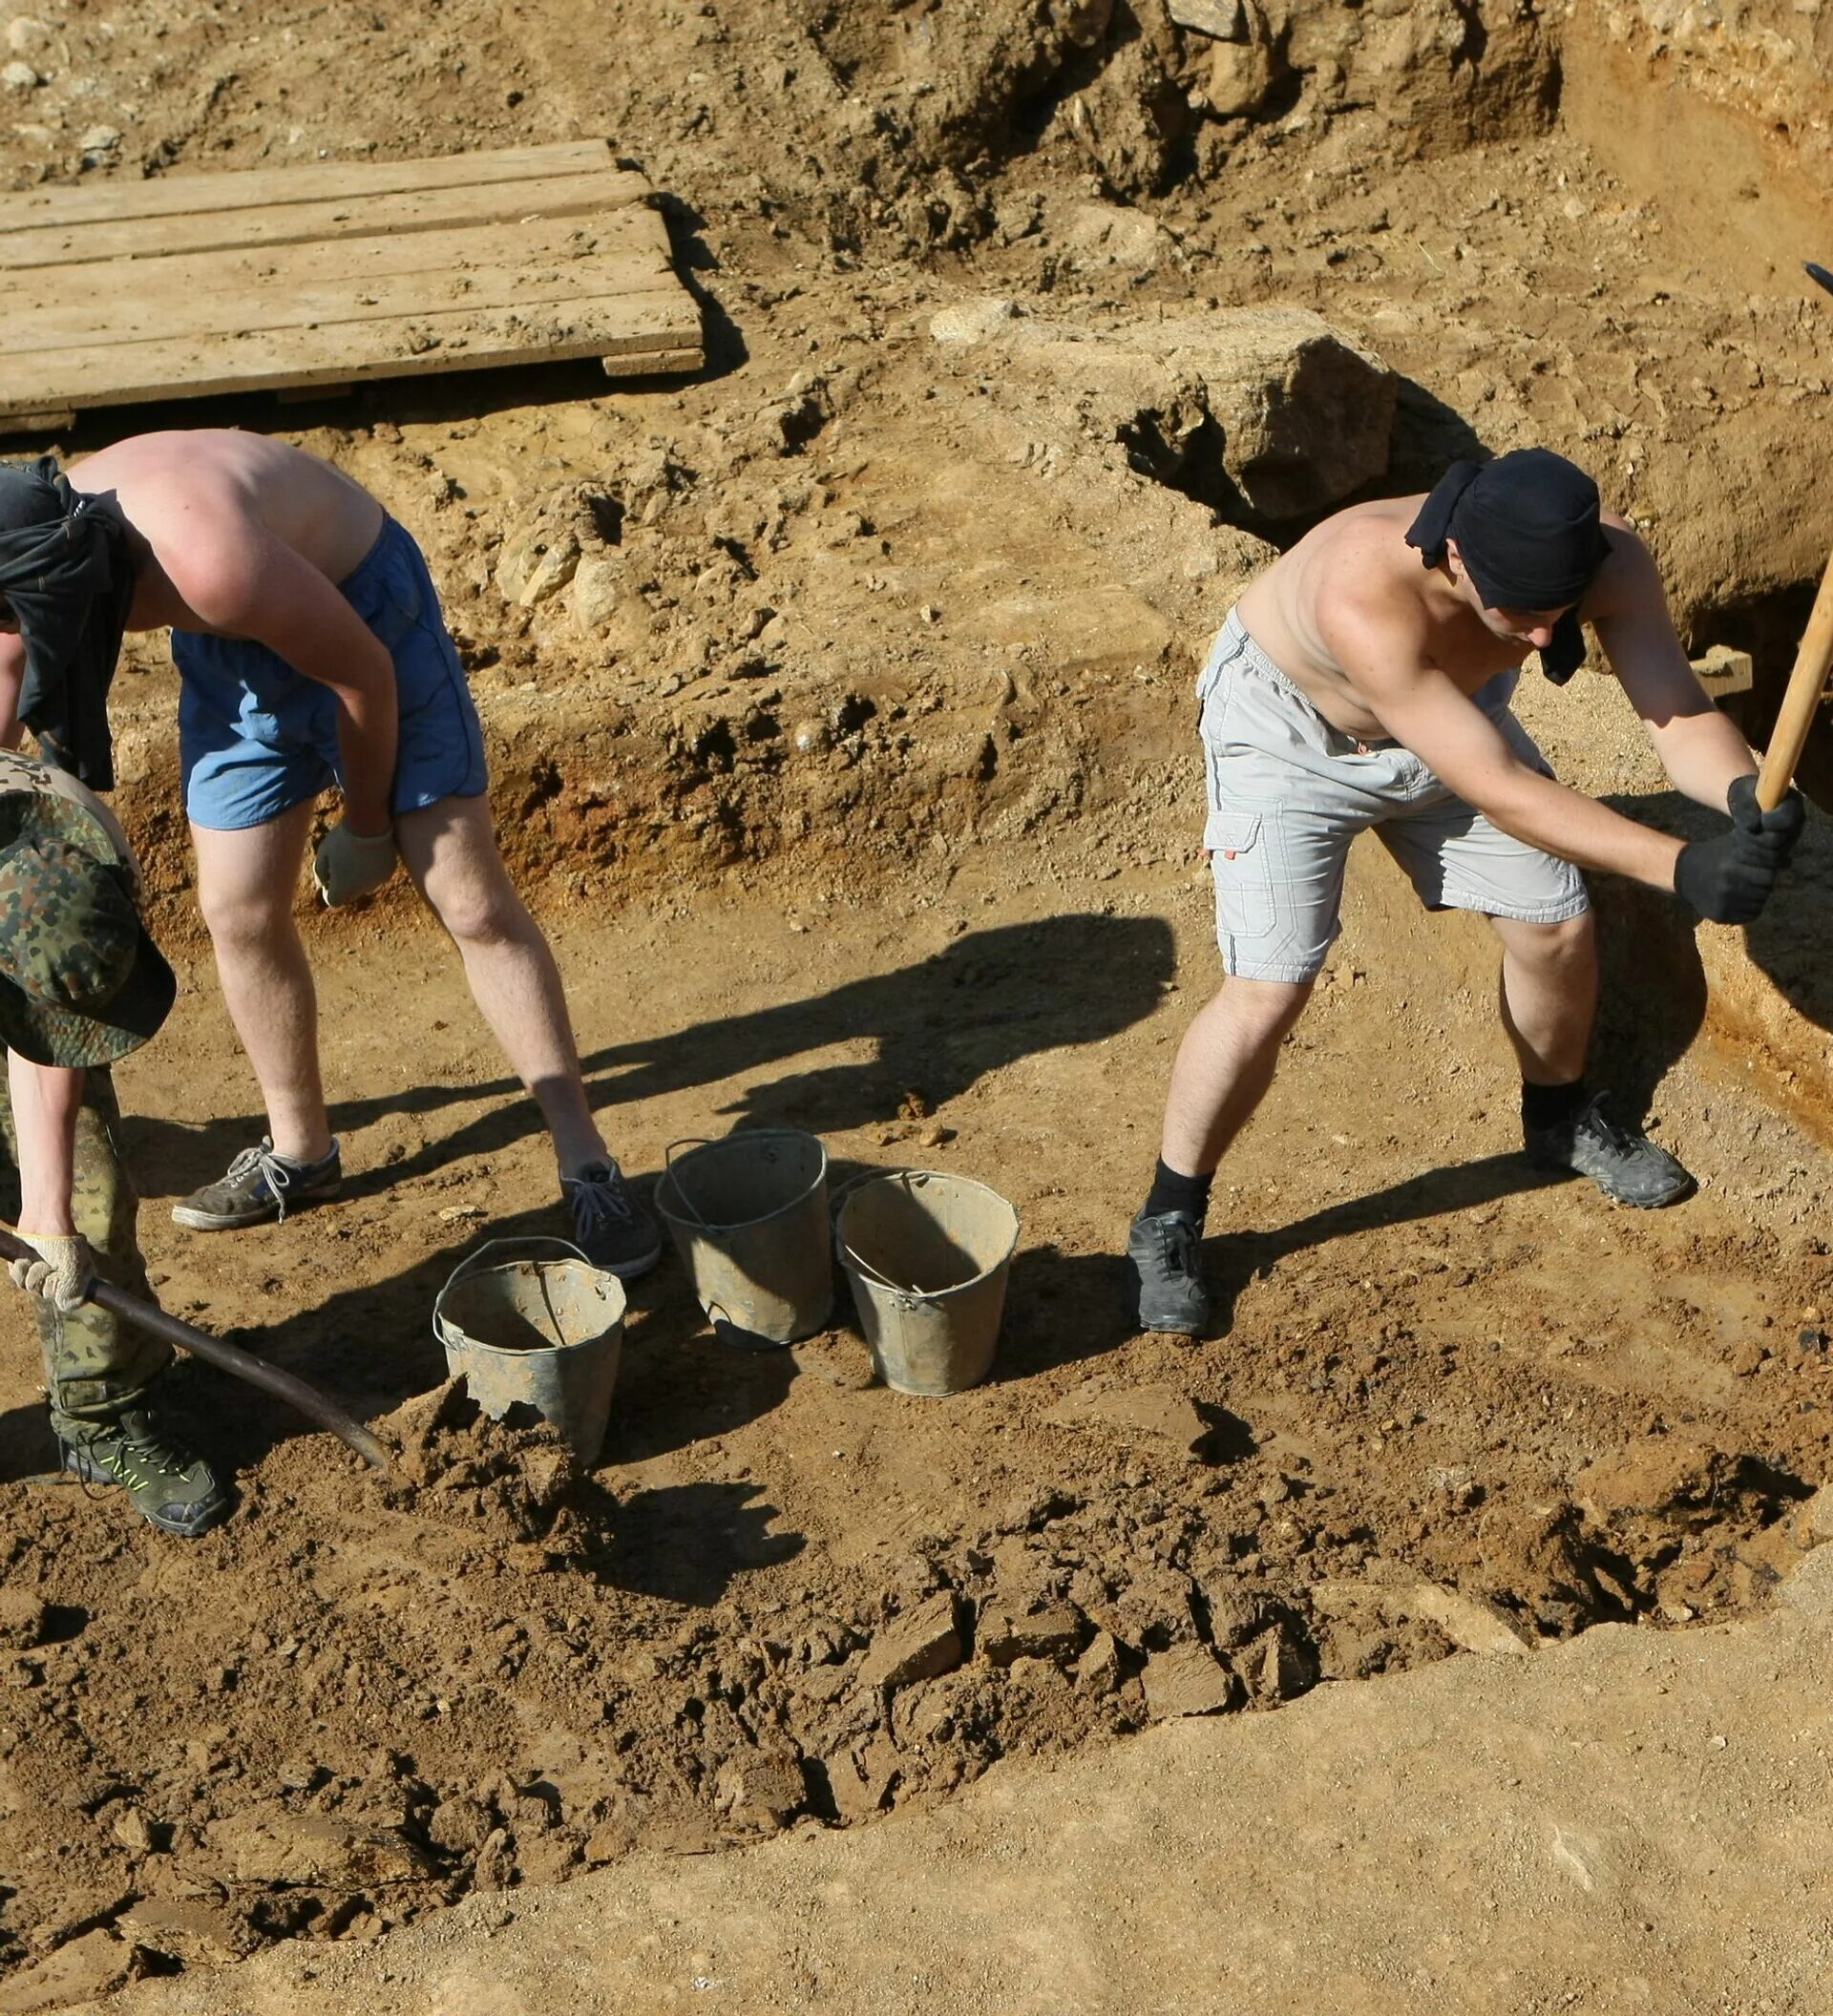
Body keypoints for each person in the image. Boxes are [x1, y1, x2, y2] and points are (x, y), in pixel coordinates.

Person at [1127, 449, 1805, 1336]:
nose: (1538, 640)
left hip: (1448, 723)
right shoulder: (1359, 592)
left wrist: (1741, 789)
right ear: (1455, 560)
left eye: (1556, 616)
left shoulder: (1606, 561)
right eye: (1523, 617)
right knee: (1270, 988)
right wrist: (1683, 867)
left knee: (1557, 925)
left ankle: (1559, 1118)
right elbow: (1498, 787)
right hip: (1289, 741)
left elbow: (1675, 711)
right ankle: (1169, 1215)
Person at [0, 434, 660, 1277]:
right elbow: (31, 861)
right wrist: (44, 1213)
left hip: (364, 617)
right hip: (231, 653)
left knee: (469, 900)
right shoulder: (21, 572)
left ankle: (587, 1162)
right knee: (236, 913)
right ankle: (301, 1150)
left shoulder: (203, 560)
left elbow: (364, 678)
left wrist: (371, 825)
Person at [0, 746, 227, 1535]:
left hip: (18, 940)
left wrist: (48, 1215)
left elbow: (45, 1043)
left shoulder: (68, 825)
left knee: (88, 1203)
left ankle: (104, 1415)